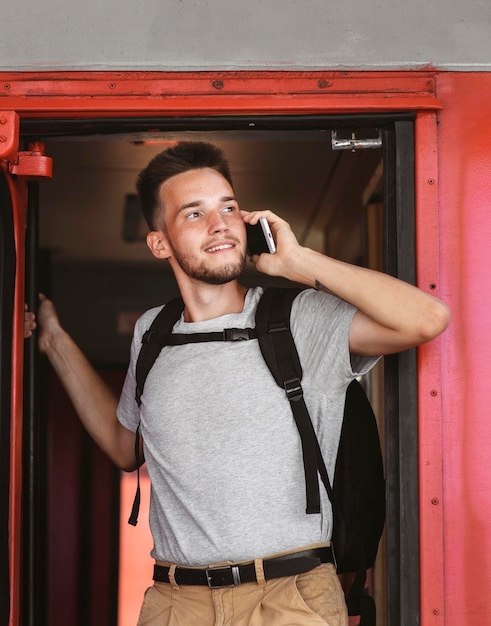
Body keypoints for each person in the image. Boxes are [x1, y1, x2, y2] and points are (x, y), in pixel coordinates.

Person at [25, 142, 450, 625]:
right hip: (176, 601)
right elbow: (127, 448)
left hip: (290, 598)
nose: (220, 223)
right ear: (159, 243)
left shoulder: (297, 319)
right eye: (194, 213)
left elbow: (426, 319)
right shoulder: (152, 331)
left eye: (228, 206)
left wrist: (300, 263)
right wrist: (55, 341)